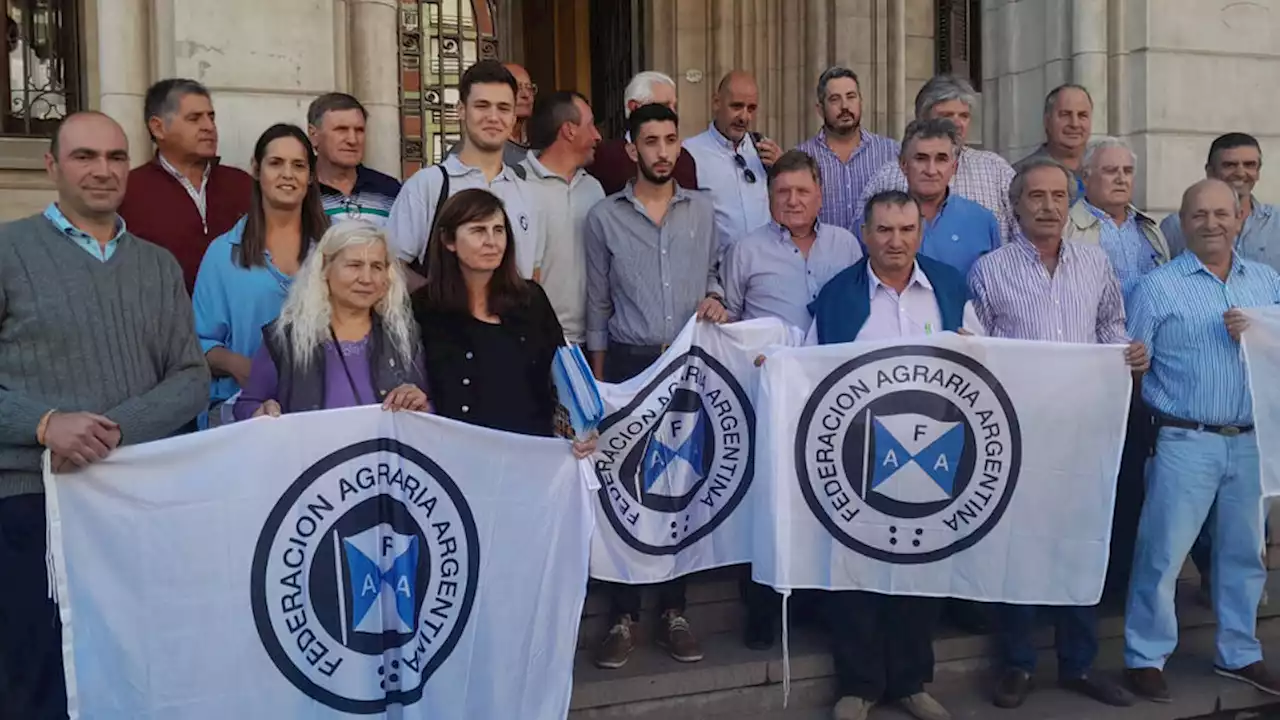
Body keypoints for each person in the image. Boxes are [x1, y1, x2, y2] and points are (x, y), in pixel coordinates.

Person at [0, 111, 209, 720]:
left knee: (139, 669)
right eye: (85, 157)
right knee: (37, 675)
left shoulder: (157, 264)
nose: (102, 170)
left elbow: (192, 378)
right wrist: (45, 424)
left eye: (116, 158)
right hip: (32, 503)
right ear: (51, 166)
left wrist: (107, 432)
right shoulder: (9, 251)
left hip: (136, 505)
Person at [968, 156, 1146, 710]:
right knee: (1020, 548)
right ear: (1016, 204)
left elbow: (1112, 329)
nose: (1048, 206)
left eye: (1058, 196)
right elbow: (979, 354)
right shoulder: (989, 270)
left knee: (1079, 544)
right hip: (1019, 434)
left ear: (1071, 204)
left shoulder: (1095, 266)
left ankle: (1080, 662)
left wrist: (1130, 354)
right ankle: (1018, 663)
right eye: (1036, 196)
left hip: (1083, 430)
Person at [805, 190, 982, 720]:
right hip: (858, 458)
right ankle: (857, 687)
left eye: (906, 229)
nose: (896, 241)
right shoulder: (838, 295)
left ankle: (910, 682)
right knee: (855, 573)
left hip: (935, 452)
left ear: (919, 233)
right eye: (884, 230)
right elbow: (812, 371)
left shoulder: (949, 288)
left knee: (919, 570)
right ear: (865, 234)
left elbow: (980, 362)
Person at [1122, 178, 1280, 702]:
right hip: (1185, 440)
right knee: (1162, 553)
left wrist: (1259, 331)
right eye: (1199, 215)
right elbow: (1130, 365)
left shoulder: (1267, 283)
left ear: (1239, 218)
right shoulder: (1157, 287)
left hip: (1251, 440)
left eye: (1221, 213)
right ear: (1183, 223)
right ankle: (1145, 655)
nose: (1211, 223)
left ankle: (1240, 651)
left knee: (1243, 553)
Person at [585, 103, 727, 670]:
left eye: (671, 139)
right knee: (628, 490)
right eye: (652, 141)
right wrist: (598, 385)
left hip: (692, 365)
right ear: (631, 146)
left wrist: (718, 297)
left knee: (682, 487)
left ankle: (676, 611)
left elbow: (717, 275)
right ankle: (624, 616)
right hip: (629, 364)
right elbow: (597, 303)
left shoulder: (705, 211)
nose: (664, 151)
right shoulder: (603, 218)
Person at [413, 189, 596, 457]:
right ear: (448, 240)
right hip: (457, 462)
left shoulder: (531, 300)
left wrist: (582, 430)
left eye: (498, 230)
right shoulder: (423, 307)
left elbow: (562, 378)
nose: (492, 241)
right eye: (478, 230)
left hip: (533, 457)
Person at [193, 123, 330, 427]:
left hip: (322, 413)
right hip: (243, 414)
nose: (287, 174)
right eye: (275, 163)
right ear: (256, 169)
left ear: (311, 177)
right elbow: (196, 344)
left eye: (298, 165)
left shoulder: (333, 250)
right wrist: (237, 365)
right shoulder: (224, 253)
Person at [234, 221, 427, 419]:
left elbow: (431, 411)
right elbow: (246, 405)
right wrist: (262, 412)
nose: (367, 278)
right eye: (354, 265)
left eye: (377, 267)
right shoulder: (286, 339)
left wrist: (420, 404)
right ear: (325, 268)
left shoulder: (403, 336)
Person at [387, 60, 541, 284]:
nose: (493, 117)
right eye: (482, 106)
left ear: (513, 118)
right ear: (461, 110)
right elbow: (392, 264)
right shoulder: (428, 185)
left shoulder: (527, 193)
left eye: (503, 108)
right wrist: (441, 302)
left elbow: (532, 274)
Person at [119, 78, 253, 293]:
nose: (209, 127)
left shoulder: (242, 185)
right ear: (158, 128)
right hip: (161, 322)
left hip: (236, 322)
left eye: (211, 117)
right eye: (194, 119)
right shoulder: (129, 190)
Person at [855, 75, 1015, 242]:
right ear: (923, 118)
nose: (957, 123)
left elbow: (1024, 235)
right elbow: (861, 238)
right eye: (946, 115)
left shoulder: (996, 170)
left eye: (964, 116)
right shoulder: (888, 176)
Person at [724, 149, 862, 333]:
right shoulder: (744, 251)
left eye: (803, 191)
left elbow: (863, 308)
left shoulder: (846, 245)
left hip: (836, 360)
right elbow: (727, 320)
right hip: (769, 360)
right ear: (769, 197)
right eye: (783, 192)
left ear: (819, 197)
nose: (793, 201)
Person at [519, 90, 605, 344]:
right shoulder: (516, 184)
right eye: (590, 126)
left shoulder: (594, 189)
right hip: (534, 340)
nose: (597, 136)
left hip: (590, 342)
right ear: (569, 130)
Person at [795, 66, 900, 236]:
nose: (845, 106)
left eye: (851, 97)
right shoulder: (802, 156)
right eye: (834, 99)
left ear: (860, 102)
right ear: (820, 109)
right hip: (824, 259)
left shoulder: (891, 152)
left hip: (876, 259)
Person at [683, 71, 780, 250]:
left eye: (751, 108)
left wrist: (782, 169)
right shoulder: (689, 153)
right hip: (718, 271)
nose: (744, 117)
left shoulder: (763, 149)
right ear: (716, 103)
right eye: (736, 106)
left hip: (766, 266)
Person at [1064, 136, 1170, 298]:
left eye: (1127, 171)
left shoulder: (1150, 229)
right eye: (1110, 171)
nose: (1121, 179)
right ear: (1085, 178)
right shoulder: (1067, 229)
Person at [897, 117, 1000, 276]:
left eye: (941, 159)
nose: (931, 170)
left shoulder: (982, 222)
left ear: (954, 168)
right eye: (921, 158)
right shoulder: (878, 219)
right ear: (903, 164)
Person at [1161, 132, 1280, 271]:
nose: (1241, 172)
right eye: (1230, 165)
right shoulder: (1176, 226)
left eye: (1249, 165)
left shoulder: (1276, 222)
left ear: (1258, 172)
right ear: (1210, 171)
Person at [586, 70, 699, 195]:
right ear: (634, 107)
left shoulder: (684, 159)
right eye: (664, 105)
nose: (673, 113)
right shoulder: (603, 158)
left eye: (674, 106)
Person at [308, 92, 402, 226]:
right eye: (341, 130)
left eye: (359, 130)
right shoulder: (301, 191)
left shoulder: (389, 190)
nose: (352, 140)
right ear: (314, 135)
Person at [446, 61, 535, 167]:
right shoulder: (460, 157)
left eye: (529, 88)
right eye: (482, 106)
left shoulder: (539, 150)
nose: (526, 95)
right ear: (462, 110)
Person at [1018, 84, 1092, 200]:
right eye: (1065, 115)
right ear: (1047, 121)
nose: (1074, 124)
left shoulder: (1108, 172)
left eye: (1082, 115)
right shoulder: (1021, 175)